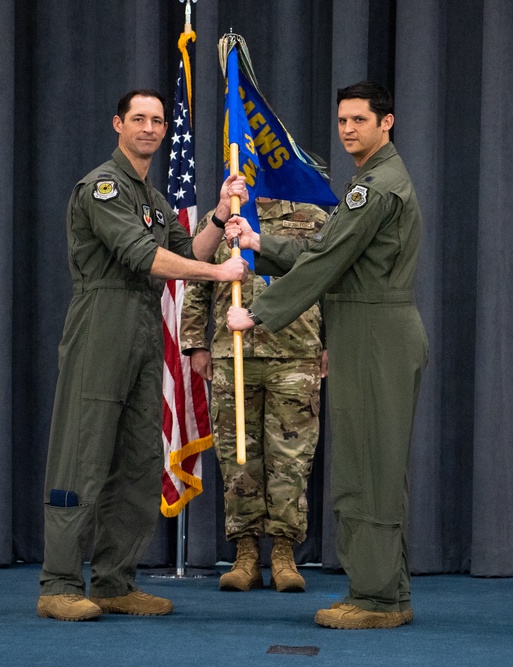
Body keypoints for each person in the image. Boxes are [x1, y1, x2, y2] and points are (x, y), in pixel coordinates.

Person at [37, 89, 249, 622]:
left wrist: (221, 217)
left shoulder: (153, 200)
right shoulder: (103, 188)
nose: (151, 128)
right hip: (100, 325)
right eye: (139, 119)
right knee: (81, 456)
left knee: (138, 461)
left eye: (158, 120)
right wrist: (220, 274)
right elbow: (143, 256)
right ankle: (59, 583)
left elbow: (184, 252)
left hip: (142, 328)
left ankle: (113, 582)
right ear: (118, 124)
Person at [226, 81, 428, 630]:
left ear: (387, 123)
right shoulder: (370, 182)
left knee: (370, 470)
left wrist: (259, 314)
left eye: (359, 120)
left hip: (376, 333)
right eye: (342, 121)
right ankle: (386, 590)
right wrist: (258, 243)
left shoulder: (376, 188)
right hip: (367, 329)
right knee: (371, 465)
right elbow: (323, 253)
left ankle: (378, 599)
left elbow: (324, 264)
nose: (347, 130)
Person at [180, 198, 327, 593]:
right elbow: (199, 275)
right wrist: (195, 342)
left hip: (297, 353)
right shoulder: (227, 211)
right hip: (233, 352)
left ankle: (283, 553)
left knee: (291, 461)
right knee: (237, 458)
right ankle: (245, 553)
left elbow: (328, 277)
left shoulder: (312, 215)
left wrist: (331, 343)